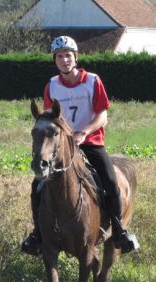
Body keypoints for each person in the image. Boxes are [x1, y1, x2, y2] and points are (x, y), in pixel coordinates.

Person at [21, 35, 138, 255]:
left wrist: (84, 132)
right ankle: (37, 235)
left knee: (110, 182)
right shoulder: (52, 85)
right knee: (37, 187)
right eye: (59, 57)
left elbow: (103, 115)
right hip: (61, 149)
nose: (64, 60)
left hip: (90, 142)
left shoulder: (93, 81)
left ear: (75, 57)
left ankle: (119, 230)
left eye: (68, 56)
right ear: (55, 60)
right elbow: (49, 118)